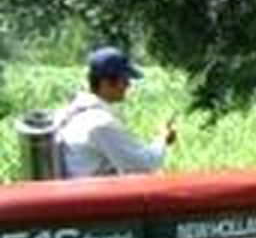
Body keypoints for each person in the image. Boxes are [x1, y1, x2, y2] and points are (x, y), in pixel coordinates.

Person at [56, 46, 177, 178]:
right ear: (106, 83)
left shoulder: (73, 112)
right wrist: (162, 138)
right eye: (124, 80)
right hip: (90, 191)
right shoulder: (100, 123)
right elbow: (144, 164)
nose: (128, 85)